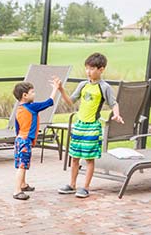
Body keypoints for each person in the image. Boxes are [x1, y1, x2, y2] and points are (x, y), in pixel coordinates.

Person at [54, 53, 123, 198]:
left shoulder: (105, 87)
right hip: (79, 125)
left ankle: (85, 187)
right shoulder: (82, 85)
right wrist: (61, 89)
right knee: (74, 157)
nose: (88, 72)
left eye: (92, 69)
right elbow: (70, 101)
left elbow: (113, 103)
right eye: (87, 69)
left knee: (89, 158)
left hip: (92, 127)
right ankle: (72, 185)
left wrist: (116, 114)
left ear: (101, 69)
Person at [10, 80, 56, 201]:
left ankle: (23, 184)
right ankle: (17, 190)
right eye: (32, 92)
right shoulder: (32, 107)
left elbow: (17, 127)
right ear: (25, 95)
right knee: (22, 165)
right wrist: (55, 89)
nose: (34, 94)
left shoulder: (18, 110)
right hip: (25, 141)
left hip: (19, 139)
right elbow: (49, 102)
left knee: (22, 163)